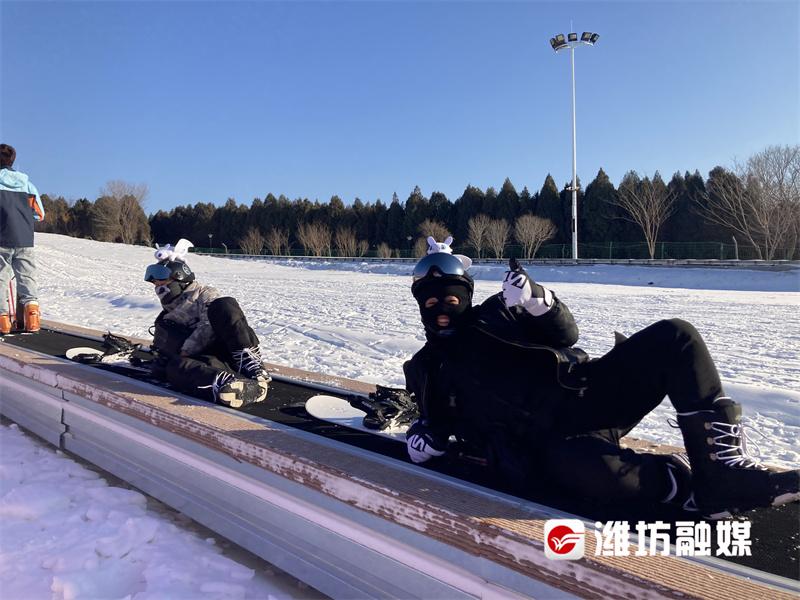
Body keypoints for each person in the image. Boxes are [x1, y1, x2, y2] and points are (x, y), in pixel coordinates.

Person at [403, 249, 799, 518]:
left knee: (676, 336)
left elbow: (565, 334)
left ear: (466, 298)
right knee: (598, 477)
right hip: (544, 445)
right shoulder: (423, 367)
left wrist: (540, 302)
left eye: (451, 302)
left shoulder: (499, 313)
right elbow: (435, 423)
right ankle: (680, 482)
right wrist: (421, 436)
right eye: (432, 304)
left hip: (586, 395)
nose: (441, 312)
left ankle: (723, 474)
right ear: (421, 305)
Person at [144, 241, 270, 408]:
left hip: (230, 351)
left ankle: (251, 365)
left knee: (224, 305)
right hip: (210, 362)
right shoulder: (166, 318)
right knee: (174, 367)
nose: (157, 286)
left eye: (161, 280)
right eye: (155, 283)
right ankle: (228, 385)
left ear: (179, 277)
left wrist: (185, 349)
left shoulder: (204, 295)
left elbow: (208, 325)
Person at [0, 144, 45, 335]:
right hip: (24, 237)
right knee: (27, 277)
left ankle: (3, 321)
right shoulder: (27, 184)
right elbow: (39, 214)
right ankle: (33, 318)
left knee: (1, 277)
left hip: (2, 236)